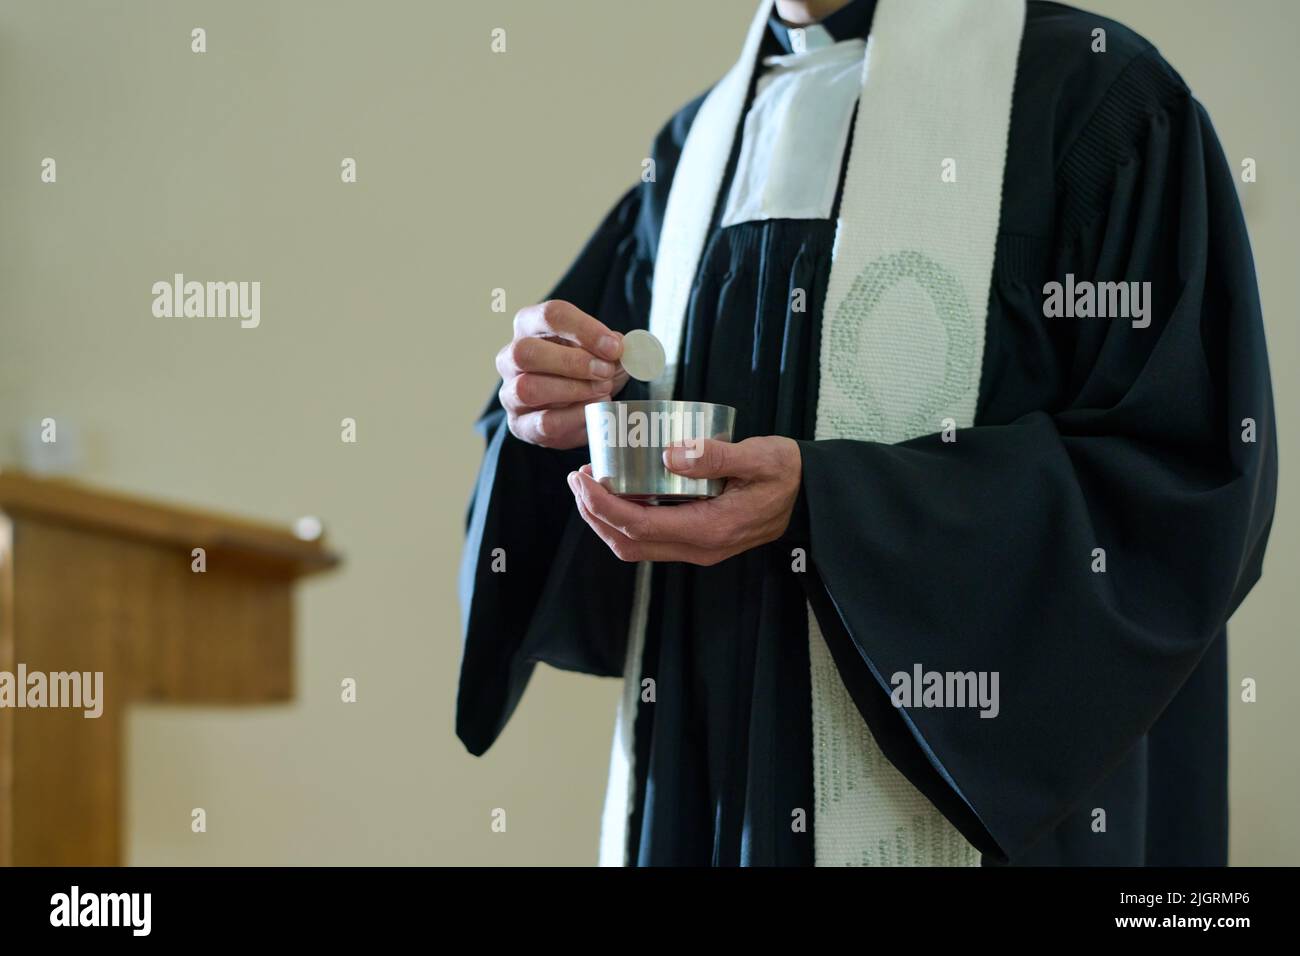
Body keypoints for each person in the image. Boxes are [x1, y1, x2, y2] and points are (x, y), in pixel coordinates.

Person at [457, 0, 1278, 866]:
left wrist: (833, 504)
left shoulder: (1096, 98)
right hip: (708, 786)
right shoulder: (694, 146)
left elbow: (1179, 481)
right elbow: (596, 435)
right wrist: (551, 398)